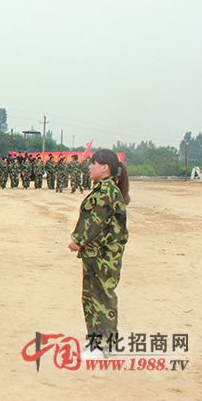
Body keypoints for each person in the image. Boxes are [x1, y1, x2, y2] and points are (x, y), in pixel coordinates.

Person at [68, 149, 129, 360]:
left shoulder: (105, 192)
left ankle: (102, 347)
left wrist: (77, 240)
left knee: (99, 297)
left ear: (105, 167)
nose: (90, 167)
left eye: (93, 163)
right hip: (100, 253)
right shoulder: (106, 189)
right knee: (95, 296)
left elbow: (94, 222)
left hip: (102, 255)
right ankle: (100, 342)